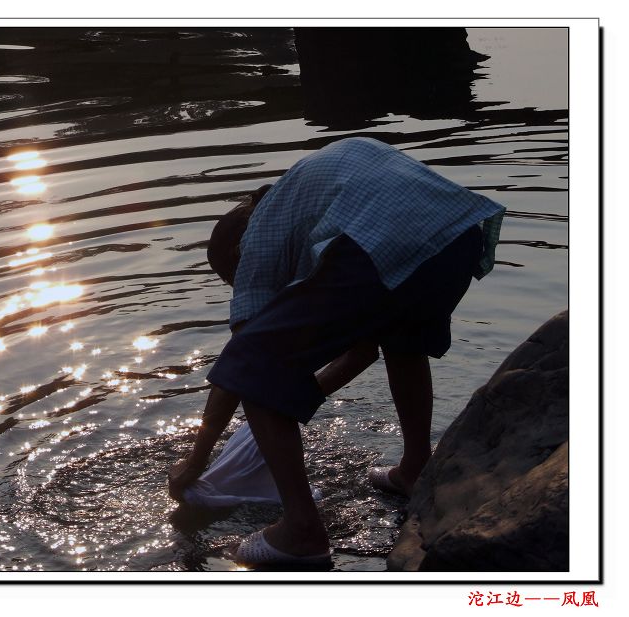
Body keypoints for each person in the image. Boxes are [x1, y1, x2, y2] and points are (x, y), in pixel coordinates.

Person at [166, 136, 505, 568]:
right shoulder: (316, 196)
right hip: (457, 236)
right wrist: (290, 404)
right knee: (403, 340)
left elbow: (243, 363)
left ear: (237, 254)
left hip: (389, 240)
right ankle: (416, 470)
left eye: (233, 281)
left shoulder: (258, 237)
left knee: (253, 364)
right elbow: (364, 350)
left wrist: (196, 461)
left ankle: (301, 531)